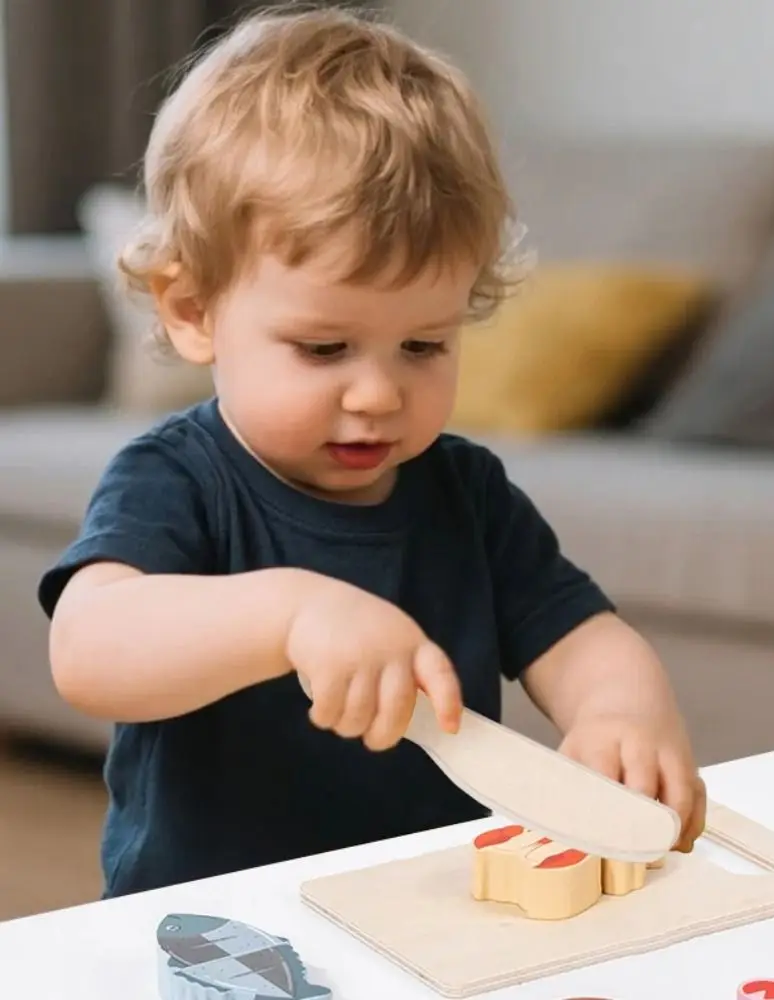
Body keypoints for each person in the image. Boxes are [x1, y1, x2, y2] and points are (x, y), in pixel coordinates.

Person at [37, 4, 705, 899]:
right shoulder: (178, 478)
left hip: (433, 918)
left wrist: (622, 711)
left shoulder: (466, 492)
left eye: (424, 346)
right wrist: (288, 615)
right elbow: (90, 650)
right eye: (323, 349)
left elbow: (582, 635)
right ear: (191, 309)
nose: (379, 394)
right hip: (215, 930)